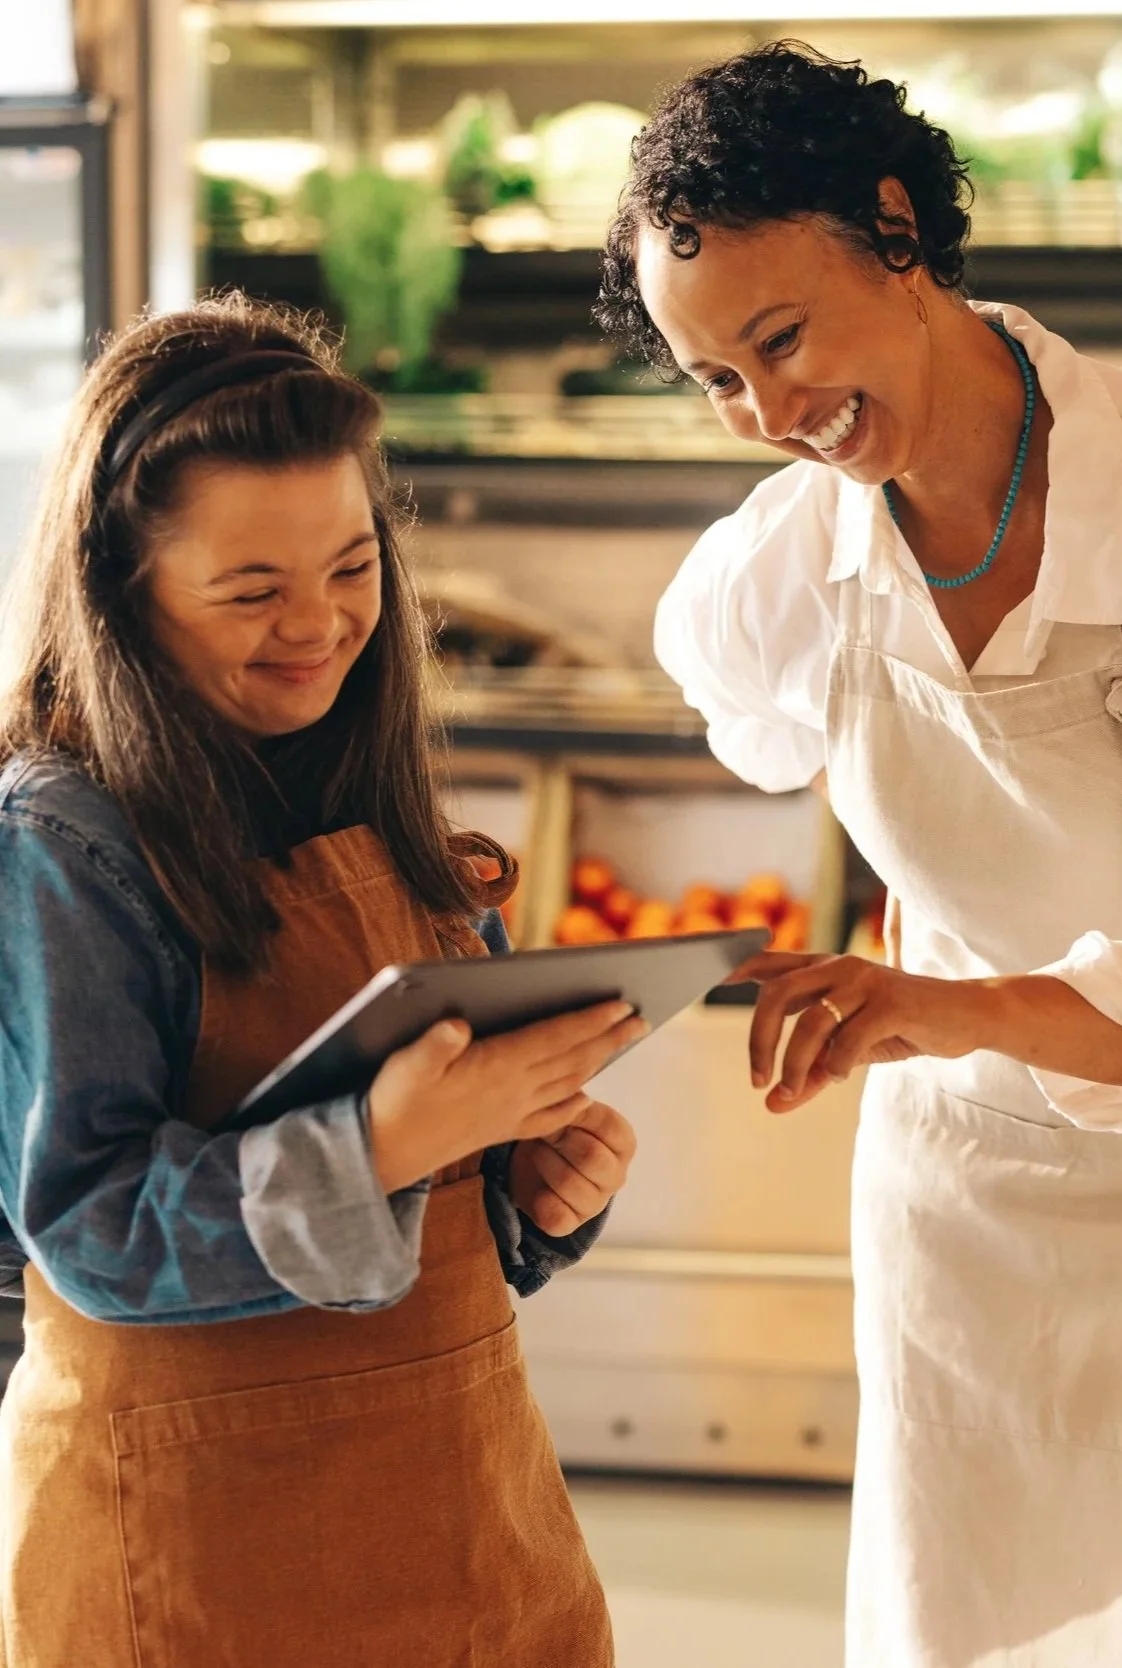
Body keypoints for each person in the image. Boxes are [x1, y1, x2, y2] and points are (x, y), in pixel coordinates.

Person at [596, 39, 1122, 1668]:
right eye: (714, 380)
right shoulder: (792, 559)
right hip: (959, 1215)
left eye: (781, 337)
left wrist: (937, 1004)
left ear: (897, 231)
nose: (767, 414)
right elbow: (740, 712)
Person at [0, 292, 644, 1668]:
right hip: (192, 1559)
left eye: (353, 568)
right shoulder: (64, 840)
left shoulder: (368, 786)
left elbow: (427, 1231)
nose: (321, 626)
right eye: (252, 591)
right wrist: (390, 1141)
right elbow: (93, 1226)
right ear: (119, 590)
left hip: (469, 1512)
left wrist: (523, 1188)